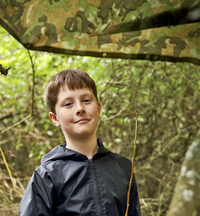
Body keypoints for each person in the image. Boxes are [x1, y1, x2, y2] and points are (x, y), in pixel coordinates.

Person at [19, 69, 141, 216]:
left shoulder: (123, 168)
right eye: (68, 104)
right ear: (55, 118)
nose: (80, 109)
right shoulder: (47, 176)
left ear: (98, 108)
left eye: (86, 100)